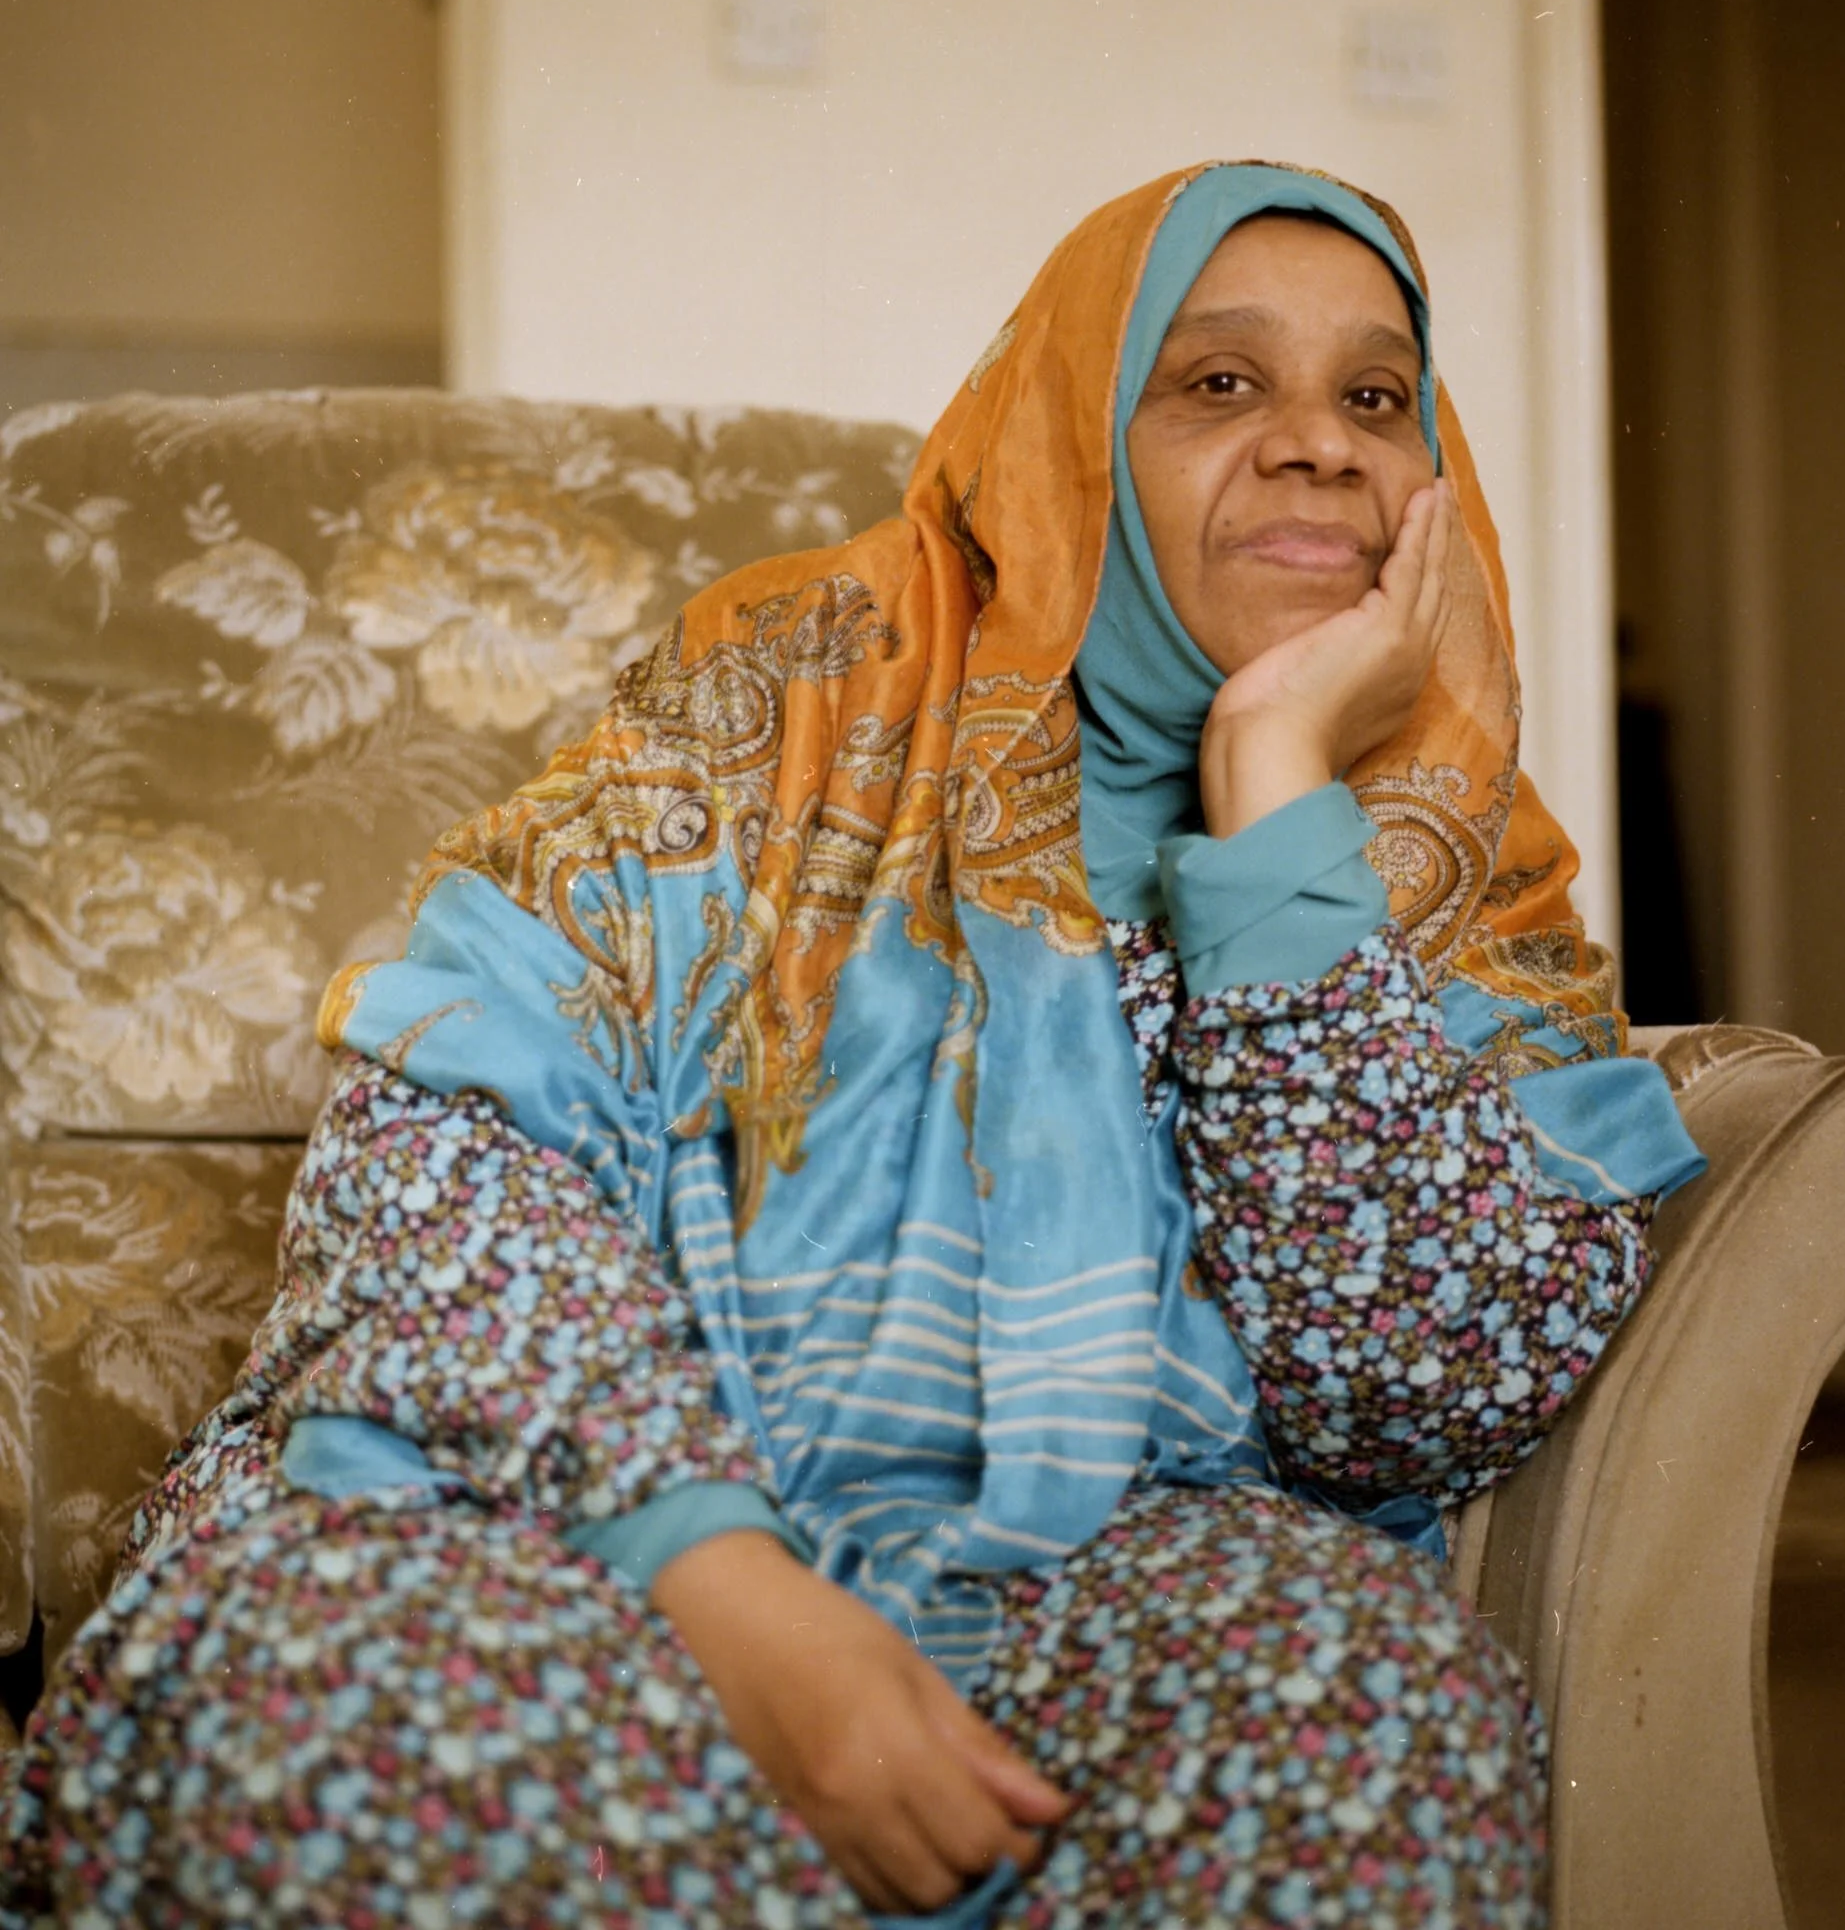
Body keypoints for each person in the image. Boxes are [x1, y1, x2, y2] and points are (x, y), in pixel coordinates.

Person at [1, 162, 1703, 1930]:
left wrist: (1276, 808)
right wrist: (727, 1585)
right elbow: (442, 1154)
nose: (1321, 447)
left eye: (1376, 397)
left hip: (1106, 1572)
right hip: (583, 1519)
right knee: (340, 1716)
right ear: (1067, 445)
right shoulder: (782, 707)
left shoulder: (1444, 871)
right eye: (1219, 381)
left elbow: (1411, 1397)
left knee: (1376, 1729)